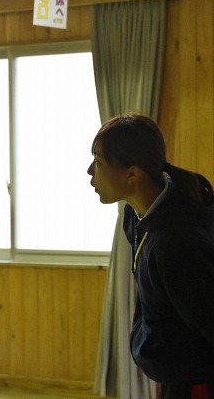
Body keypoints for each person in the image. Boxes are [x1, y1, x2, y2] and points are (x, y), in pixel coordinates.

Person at [87, 114, 214, 399]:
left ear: (132, 174)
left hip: (197, 381)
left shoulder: (176, 244)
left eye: (98, 162)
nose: (89, 171)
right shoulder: (135, 215)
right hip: (173, 373)